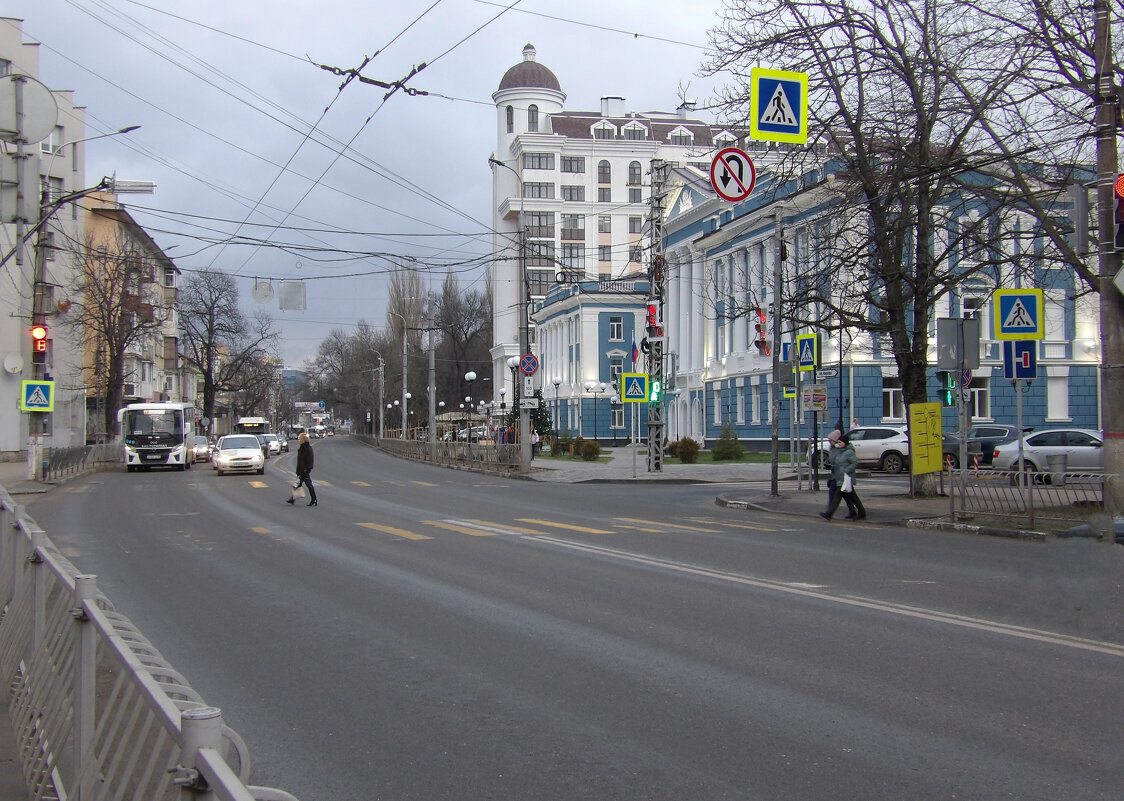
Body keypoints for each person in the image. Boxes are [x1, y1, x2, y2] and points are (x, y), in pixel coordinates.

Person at [820, 430, 865, 521]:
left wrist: (846, 470)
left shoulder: (849, 452)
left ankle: (829, 513)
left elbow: (855, 463)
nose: (839, 444)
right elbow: (837, 463)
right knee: (852, 497)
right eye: (838, 442)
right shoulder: (841, 451)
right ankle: (860, 512)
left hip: (846, 478)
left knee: (839, 496)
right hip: (840, 478)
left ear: (844, 443)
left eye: (840, 442)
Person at [287, 432, 318, 507]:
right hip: (303, 469)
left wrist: (304, 469)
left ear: (303, 440)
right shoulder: (304, 447)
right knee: (299, 484)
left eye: (299, 439)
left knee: (306, 484)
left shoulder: (306, 448)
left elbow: (306, 460)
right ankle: (293, 499)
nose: (298, 440)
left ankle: (314, 499)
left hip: (304, 470)